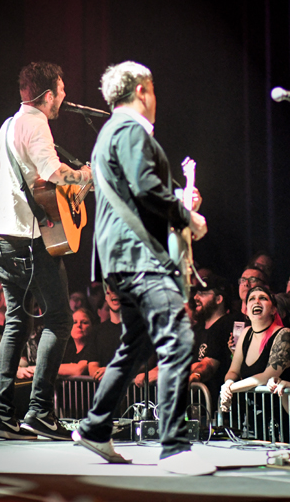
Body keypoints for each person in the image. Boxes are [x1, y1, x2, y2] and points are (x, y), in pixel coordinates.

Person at [72, 61, 212, 475]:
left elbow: (135, 191)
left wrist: (179, 201)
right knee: (177, 338)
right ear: (142, 90)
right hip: (138, 256)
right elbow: (146, 188)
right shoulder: (131, 130)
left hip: (118, 258)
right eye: (153, 90)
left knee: (134, 343)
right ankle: (175, 447)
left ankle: (96, 427)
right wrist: (187, 217)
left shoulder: (109, 133)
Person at [0, 61, 92, 441]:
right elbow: (54, 173)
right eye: (61, 92)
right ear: (48, 96)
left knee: (16, 322)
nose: (64, 98)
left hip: (1, 239)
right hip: (31, 243)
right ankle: (40, 412)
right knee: (60, 321)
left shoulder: (7, 126)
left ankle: (1, 416)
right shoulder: (36, 124)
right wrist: (85, 176)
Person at [220, 286, 290, 409]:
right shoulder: (246, 333)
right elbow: (233, 371)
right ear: (246, 311)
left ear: (273, 309)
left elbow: (267, 377)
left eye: (262, 298)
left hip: (278, 414)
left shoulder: (284, 334)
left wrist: (230, 389)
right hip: (252, 415)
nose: (256, 301)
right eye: (251, 299)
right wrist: (228, 383)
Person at [188, 275, 234, 410]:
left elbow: (209, 364)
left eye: (203, 293)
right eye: (196, 293)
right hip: (197, 408)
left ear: (219, 299)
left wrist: (195, 375)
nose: (196, 297)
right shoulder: (197, 329)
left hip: (219, 409)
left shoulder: (227, 325)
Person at [88, 285, 124, 381]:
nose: (114, 294)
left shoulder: (139, 328)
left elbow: (145, 364)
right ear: (106, 297)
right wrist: (99, 373)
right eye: (110, 292)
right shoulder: (97, 331)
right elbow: (92, 366)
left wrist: (112, 371)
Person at [58, 308, 94, 376]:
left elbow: (79, 370)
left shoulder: (93, 348)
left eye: (84, 322)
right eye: (74, 322)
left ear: (92, 326)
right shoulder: (68, 349)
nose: (79, 325)